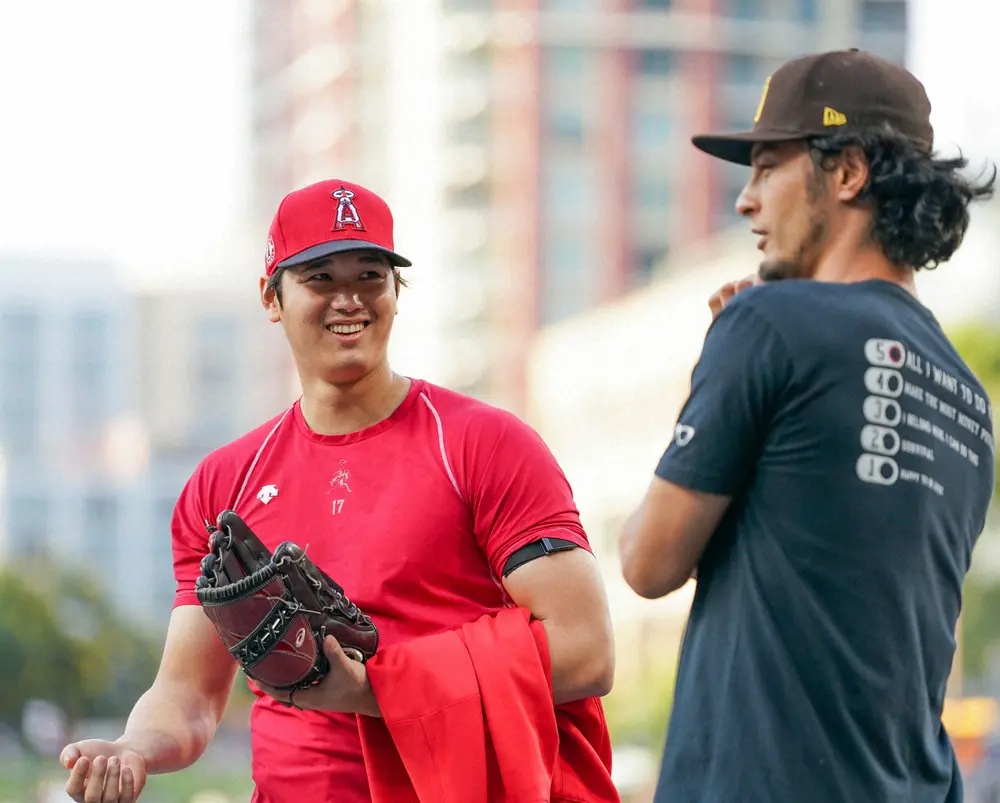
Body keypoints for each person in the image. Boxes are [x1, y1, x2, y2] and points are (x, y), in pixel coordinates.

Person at [59, 179, 620, 802]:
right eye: (320, 278)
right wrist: (134, 749)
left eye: (370, 277)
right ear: (272, 297)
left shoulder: (484, 445)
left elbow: (586, 650)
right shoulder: (224, 483)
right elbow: (188, 696)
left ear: (397, 293)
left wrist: (375, 688)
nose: (349, 299)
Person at [618, 48, 996, 803]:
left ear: (848, 171)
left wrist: (718, 372)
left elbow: (648, 562)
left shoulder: (769, 321)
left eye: (767, 169)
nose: (745, 201)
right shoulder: (967, 396)